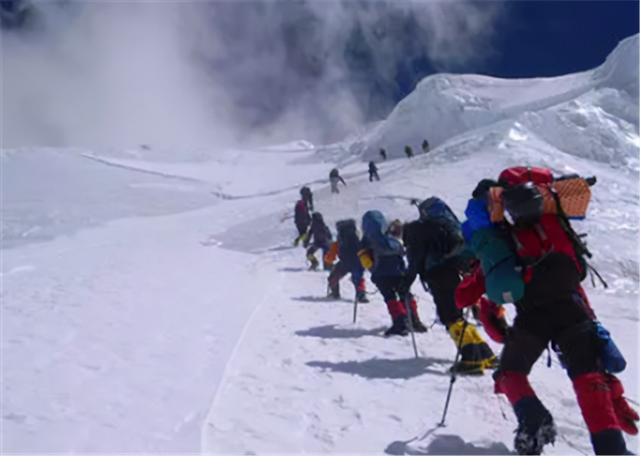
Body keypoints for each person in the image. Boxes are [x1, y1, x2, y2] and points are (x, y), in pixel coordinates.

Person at [459, 166, 637, 455]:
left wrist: (496, 324)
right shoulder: (559, 228)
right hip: (574, 312)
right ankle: (611, 448)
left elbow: (467, 295)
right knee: (589, 379)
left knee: (510, 373)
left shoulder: (500, 241)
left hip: (532, 319)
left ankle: (533, 419)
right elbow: (576, 280)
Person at [402, 197, 496, 374]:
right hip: (453, 274)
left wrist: (406, 282)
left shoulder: (423, 229)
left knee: (450, 318)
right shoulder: (449, 224)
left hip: (436, 275)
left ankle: (470, 359)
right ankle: (484, 353)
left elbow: (416, 260)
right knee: (457, 316)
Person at [359, 210, 426, 336]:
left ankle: (400, 322)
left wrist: (372, 270)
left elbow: (365, 259)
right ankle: (414, 320)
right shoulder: (391, 238)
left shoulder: (367, 241)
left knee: (390, 298)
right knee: (405, 295)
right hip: (399, 272)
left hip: (381, 275)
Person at [325, 219, 368, 302]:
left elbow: (331, 256)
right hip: (357, 262)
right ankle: (361, 295)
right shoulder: (356, 239)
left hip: (344, 263)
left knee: (333, 277)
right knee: (358, 279)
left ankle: (335, 293)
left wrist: (328, 260)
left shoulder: (340, 240)